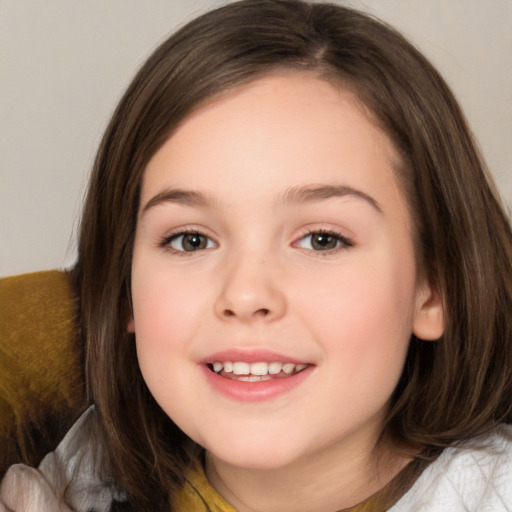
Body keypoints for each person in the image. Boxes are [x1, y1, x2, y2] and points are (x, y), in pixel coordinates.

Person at [1, 0, 511, 510]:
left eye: (322, 240)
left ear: (435, 288)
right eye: (191, 240)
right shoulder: (63, 477)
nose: (245, 295)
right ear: (125, 287)